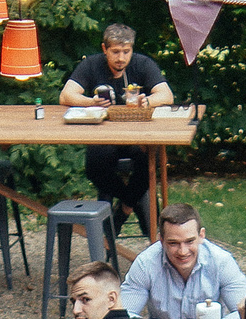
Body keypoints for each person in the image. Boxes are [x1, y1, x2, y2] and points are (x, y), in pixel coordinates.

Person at [59, 24, 175, 238]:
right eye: (115, 52)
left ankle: (121, 213)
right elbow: (66, 96)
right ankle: (129, 203)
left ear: (132, 50)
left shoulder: (142, 64)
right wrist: (90, 102)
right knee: (94, 166)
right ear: (105, 49)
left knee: (149, 159)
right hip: (103, 135)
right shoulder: (92, 64)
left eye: (126, 51)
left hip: (137, 135)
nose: (121, 58)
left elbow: (167, 95)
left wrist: (146, 101)